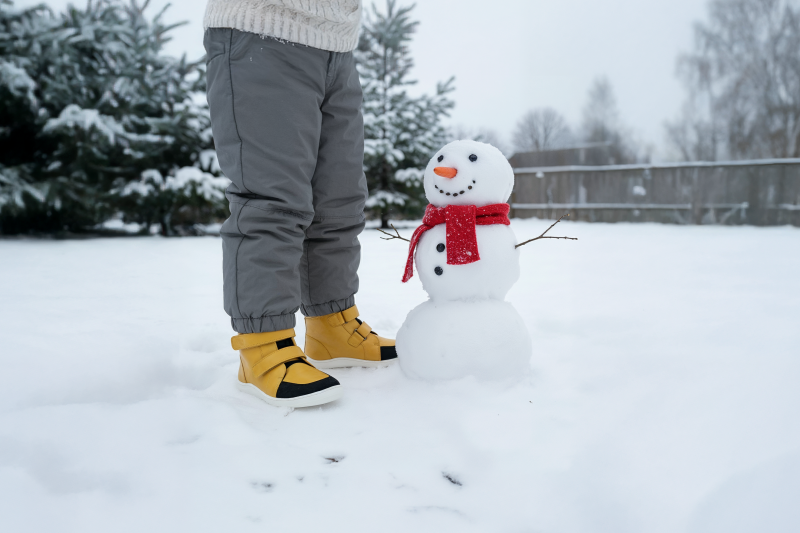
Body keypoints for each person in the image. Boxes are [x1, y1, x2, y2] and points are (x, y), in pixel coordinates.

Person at [203, 0, 396, 408]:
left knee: (338, 202)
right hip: (261, 28)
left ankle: (331, 323)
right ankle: (261, 343)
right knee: (273, 198)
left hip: (337, 44)